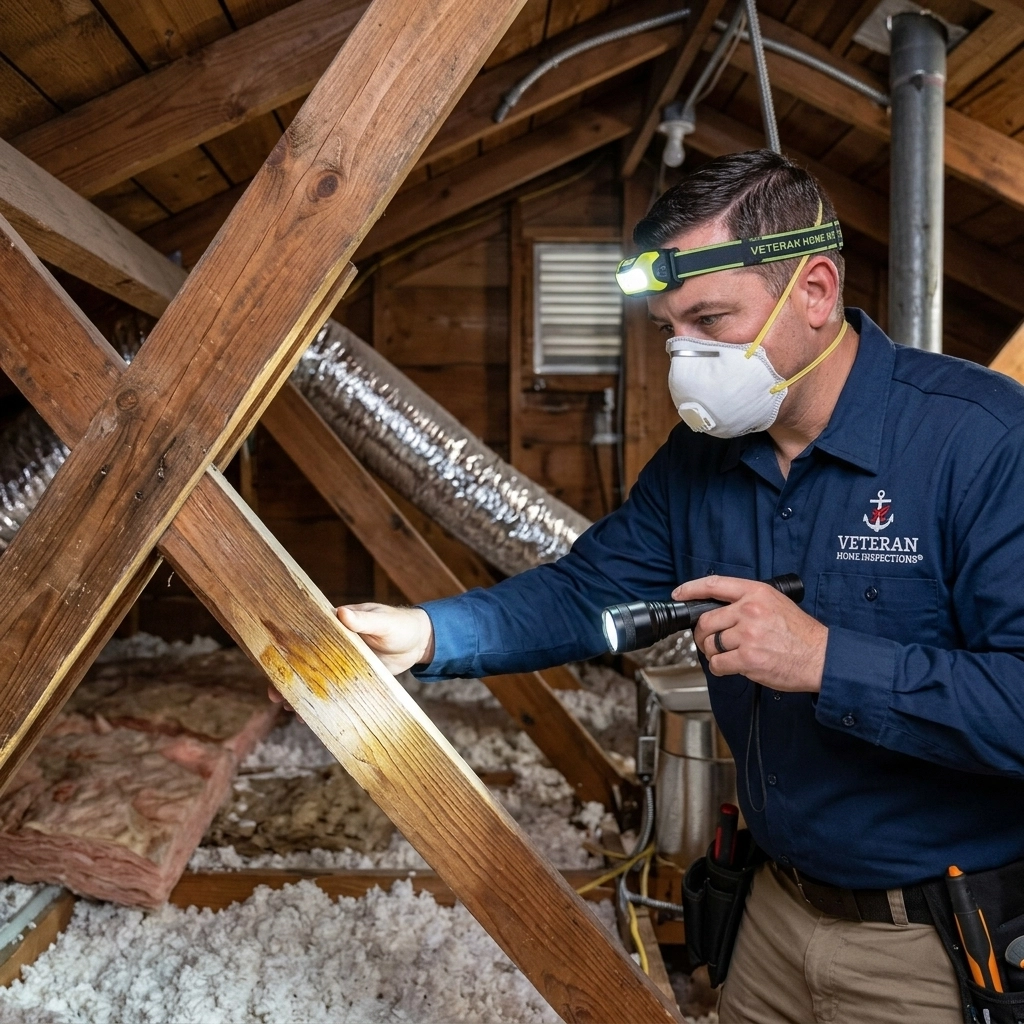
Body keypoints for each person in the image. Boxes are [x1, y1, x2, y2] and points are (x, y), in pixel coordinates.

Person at [276, 151, 1024, 1022]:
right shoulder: (701, 462)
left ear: (814, 291)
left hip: (933, 943)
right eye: (672, 329)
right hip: (774, 918)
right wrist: (431, 632)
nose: (687, 355)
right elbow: (586, 592)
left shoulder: (982, 444)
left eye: (712, 319)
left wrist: (825, 658)